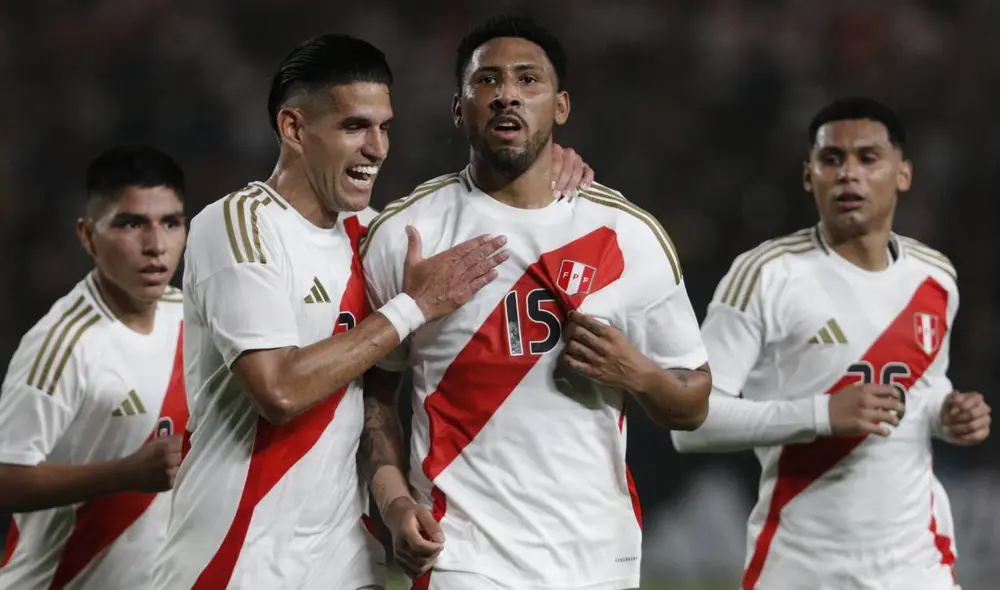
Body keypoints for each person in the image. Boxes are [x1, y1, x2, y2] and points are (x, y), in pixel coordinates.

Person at [153, 33, 592, 590]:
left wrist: (551, 161)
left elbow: (374, 405)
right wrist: (413, 306)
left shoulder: (373, 235)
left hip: (346, 562)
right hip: (236, 560)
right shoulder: (238, 226)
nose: (377, 148)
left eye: (384, 127)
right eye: (354, 126)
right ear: (293, 128)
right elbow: (279, 390)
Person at [361, 15, 712, 590]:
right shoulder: (406, 233)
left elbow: (693, 402)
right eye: (487, 81)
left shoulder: (627, 233)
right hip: (461, 554)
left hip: (598, 555)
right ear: (459, 107)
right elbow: (375, 396)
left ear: (561, 106)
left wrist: (637, 373)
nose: (506, 95)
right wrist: (396, 504)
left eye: (529, 80)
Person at [671, 97, 991, 590]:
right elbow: (689, 425)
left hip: (917, 567)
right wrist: (822, 414)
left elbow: (924, 390)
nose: (848, 174)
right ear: (808, 176)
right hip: (802, 571)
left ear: (903, 174)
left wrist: (948, 413)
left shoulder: (935, 277)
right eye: (831, 159)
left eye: (868, 158)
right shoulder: (766, 274)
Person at [0, 145, 189, 589]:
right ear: (87, 236)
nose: (155, 245)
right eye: (131, 223)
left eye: (171, 223)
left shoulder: (191, 317)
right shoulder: (64, 342)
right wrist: (126, 473)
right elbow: (5, 477)